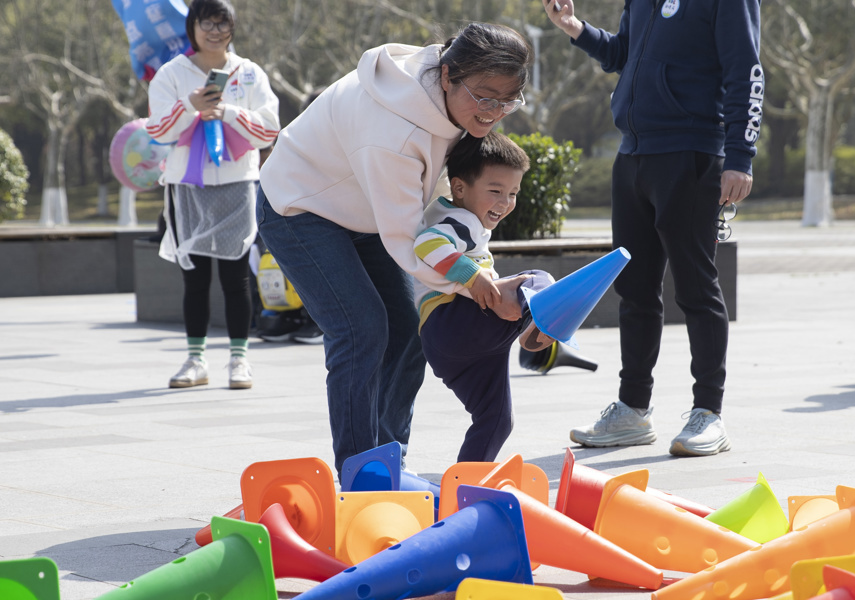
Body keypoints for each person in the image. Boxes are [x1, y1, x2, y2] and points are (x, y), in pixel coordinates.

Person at [256, 22, 533, 477]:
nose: (495, 111)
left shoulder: (451, 96)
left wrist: (485, 276)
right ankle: (360, 474)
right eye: (485, 96)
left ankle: (390, 459)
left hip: (367, 206)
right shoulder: (394, 132)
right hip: (300, 205)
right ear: (447, 75)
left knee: (406, 325)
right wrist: (473, 281)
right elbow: (408, 241)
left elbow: (446, 205)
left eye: (508, 100)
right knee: (361, 328)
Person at [542, 0, 764, 456]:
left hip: (691, 154)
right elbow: (625, 55)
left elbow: (746, 71)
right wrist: (575, 28)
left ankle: (708, 414)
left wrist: (740, 157)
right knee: (634, 292)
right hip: (632, 156)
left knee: (696, 290)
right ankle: (632, 411)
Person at [146, 0, 280, 390]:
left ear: (232, 28)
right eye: (206, 23)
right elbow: (158, 131)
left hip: (238, 184)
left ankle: (239, 360)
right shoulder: (173, 74)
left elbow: (270, 130)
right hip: (187, 187)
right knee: (195, 277)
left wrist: (227, 112)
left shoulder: (249, 73)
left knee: (236, 277)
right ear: (192, 28)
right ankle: (195, 359)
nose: (215, 31)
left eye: (222, 23)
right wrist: (191, 105)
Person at [415, 131, 555, 463]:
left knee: (496, 420)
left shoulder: (465, 220)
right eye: (495, 191)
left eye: (513, 193)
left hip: (451, 347)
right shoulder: (458, 220)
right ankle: (538, 321)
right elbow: (426, 245)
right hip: (453, 321)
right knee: (537, 279)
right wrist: (472, 276)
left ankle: (467, 484)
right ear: (460, 188)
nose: (505, 203)